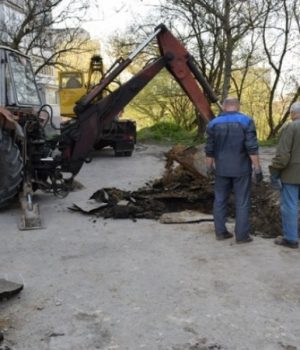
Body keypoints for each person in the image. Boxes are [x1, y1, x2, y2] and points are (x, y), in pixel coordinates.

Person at [205, 97, 263, 243]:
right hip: (241, 169)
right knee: (242, 201)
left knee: (219, 200)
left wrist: (209, 167)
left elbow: (209, 150)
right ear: (237, 106)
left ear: (224, 107)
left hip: (221, 169)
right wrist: (257, 169)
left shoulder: (213, 123)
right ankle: (242, 236)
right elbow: (252, 148)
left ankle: (221, 232)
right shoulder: (246, 121)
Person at [269, 101, 300, 249]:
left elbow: (283, 156)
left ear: (293, 113)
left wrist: (274, 172)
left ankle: (291, 239)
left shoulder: (291, 127)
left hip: (292, 175)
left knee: (290, 206)